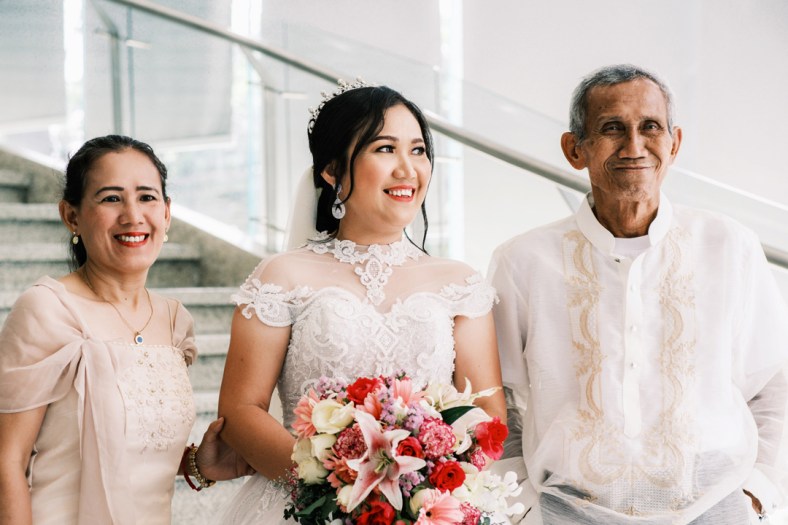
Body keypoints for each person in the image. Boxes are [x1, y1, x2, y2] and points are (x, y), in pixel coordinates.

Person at [488, 64, 788, 524]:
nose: (634, 146)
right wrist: (520, 507)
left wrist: (756, 491)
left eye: (650, 126)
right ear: (574, 149)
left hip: (717, 507)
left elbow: (774, 383)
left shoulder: (730, 246)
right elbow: (498, 398)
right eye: (612, 128)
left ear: (675, 143)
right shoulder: (522, 260)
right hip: (564, 511)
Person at [215, 81, 507, 523]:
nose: (408, 169)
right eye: (385, 149)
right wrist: (332, 495)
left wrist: (425, 487)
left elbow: (487, 413)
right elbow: (240, 412)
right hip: (304, 508)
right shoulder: (282, 276)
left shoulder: (459, 283)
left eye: (418, 150)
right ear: (332, 169)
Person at [0, 135, 250, 525]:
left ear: (167, 214)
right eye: (111, 198)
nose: (133, 215)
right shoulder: (48, 309)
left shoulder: (174, 321)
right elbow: (7, 460)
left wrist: (198, 463)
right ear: (72, 216)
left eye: (147, 197)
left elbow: (128, 445)